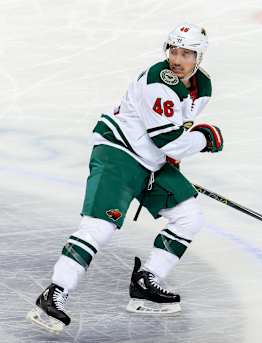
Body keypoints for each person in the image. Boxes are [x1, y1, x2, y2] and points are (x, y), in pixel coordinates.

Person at [26, 23, 223, 334]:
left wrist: (176, 155)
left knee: (188, 217)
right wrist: (203, 139)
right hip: (118, 153)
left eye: (186, 53)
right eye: (173, 50)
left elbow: (173, 135)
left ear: (199, 57)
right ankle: (54, 293)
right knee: (99, 228)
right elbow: (169, 139)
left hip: (151, 161)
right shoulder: (159, 81)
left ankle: (147, 281)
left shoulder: (203, 86)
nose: (177, 59)